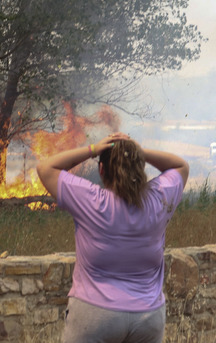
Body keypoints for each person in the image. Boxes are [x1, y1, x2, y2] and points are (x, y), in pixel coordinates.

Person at [36, 132, 189, 343]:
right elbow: (180, 166)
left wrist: (92, 150)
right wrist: (138, 151)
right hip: (148, 317)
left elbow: (46, 168)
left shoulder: (91, 200)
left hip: (94, 314)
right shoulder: (158, 200)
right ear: (139, 167)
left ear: (101, 170)